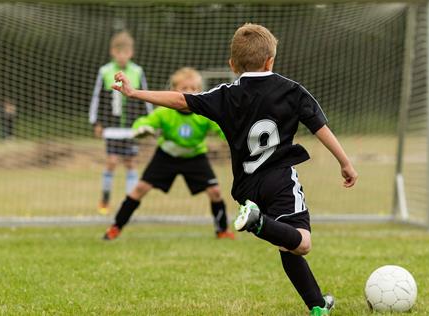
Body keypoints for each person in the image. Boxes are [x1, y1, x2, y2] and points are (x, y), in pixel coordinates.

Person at [111, 23, 358, 316]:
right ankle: (258, 223)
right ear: (271, 60)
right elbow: (320, 127)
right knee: (302, 243)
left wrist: (134, 93)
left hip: (246, 187)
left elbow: (180, 100)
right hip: (279, 179)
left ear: (232, 65)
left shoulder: (225, 94)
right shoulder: (292, 91)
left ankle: (317, 306)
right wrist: (345, 162)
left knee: (285, 243)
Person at [103, 67, 235, 240]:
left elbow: (223, 130)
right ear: (173, 91)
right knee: (140, 189)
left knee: (215, 192)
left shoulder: (205, 113)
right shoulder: (164, 112)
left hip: (195, 157)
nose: (189, 92)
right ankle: (115, 227)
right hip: (166, 156)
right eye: (184, 88)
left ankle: (222, 231)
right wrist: (141, 129)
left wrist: (233, 138)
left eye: (194, 88)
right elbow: (143, 123)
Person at [89, 30, 152, 215]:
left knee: (131, 163)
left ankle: (128, 204)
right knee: (111, 161)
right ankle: (105, 198)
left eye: (126, 52)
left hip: (131, 128)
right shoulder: (105, 71)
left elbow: (145, 97)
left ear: (131, 52)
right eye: (119, 52)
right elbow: (97, 98)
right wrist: (96, 123)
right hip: (111, 128)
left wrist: (148, 122)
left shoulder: (137, 71)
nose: (122, 56)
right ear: (113, 52)